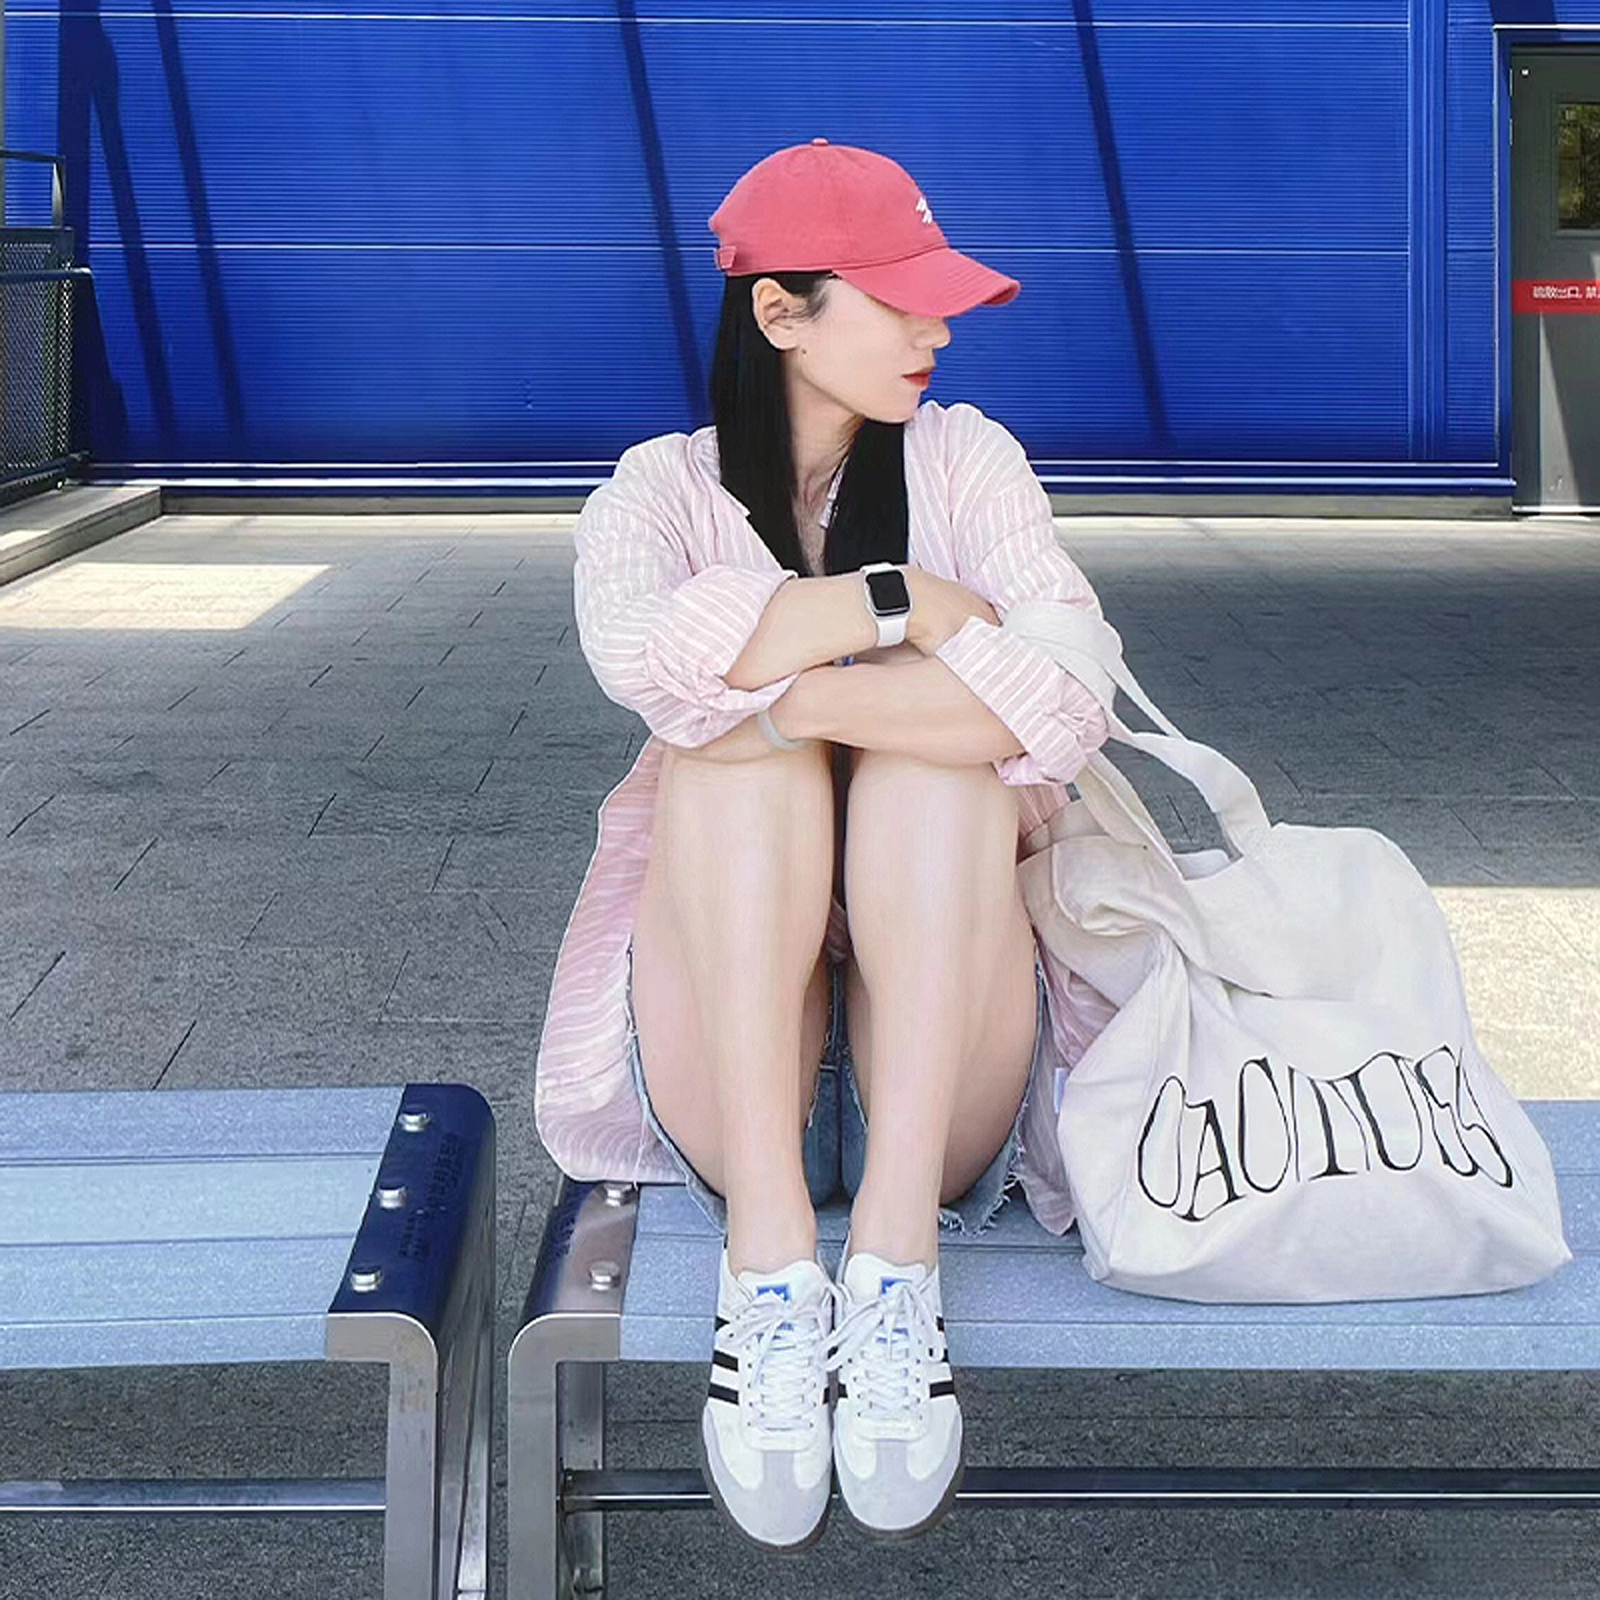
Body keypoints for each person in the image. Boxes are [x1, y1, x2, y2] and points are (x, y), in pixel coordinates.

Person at [533, 139, 1119, 1553]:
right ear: (780, 312)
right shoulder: (659, 490)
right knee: (733, 766)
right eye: (901, 301)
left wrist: (783, 692)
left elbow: (1066, 695)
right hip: (737, 1077)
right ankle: (772, 1275)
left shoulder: (968, 459)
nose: (938, 332)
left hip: (951, 1073)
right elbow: (639, 654)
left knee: (902, 767)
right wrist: (897, 602)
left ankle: (898, 1267)